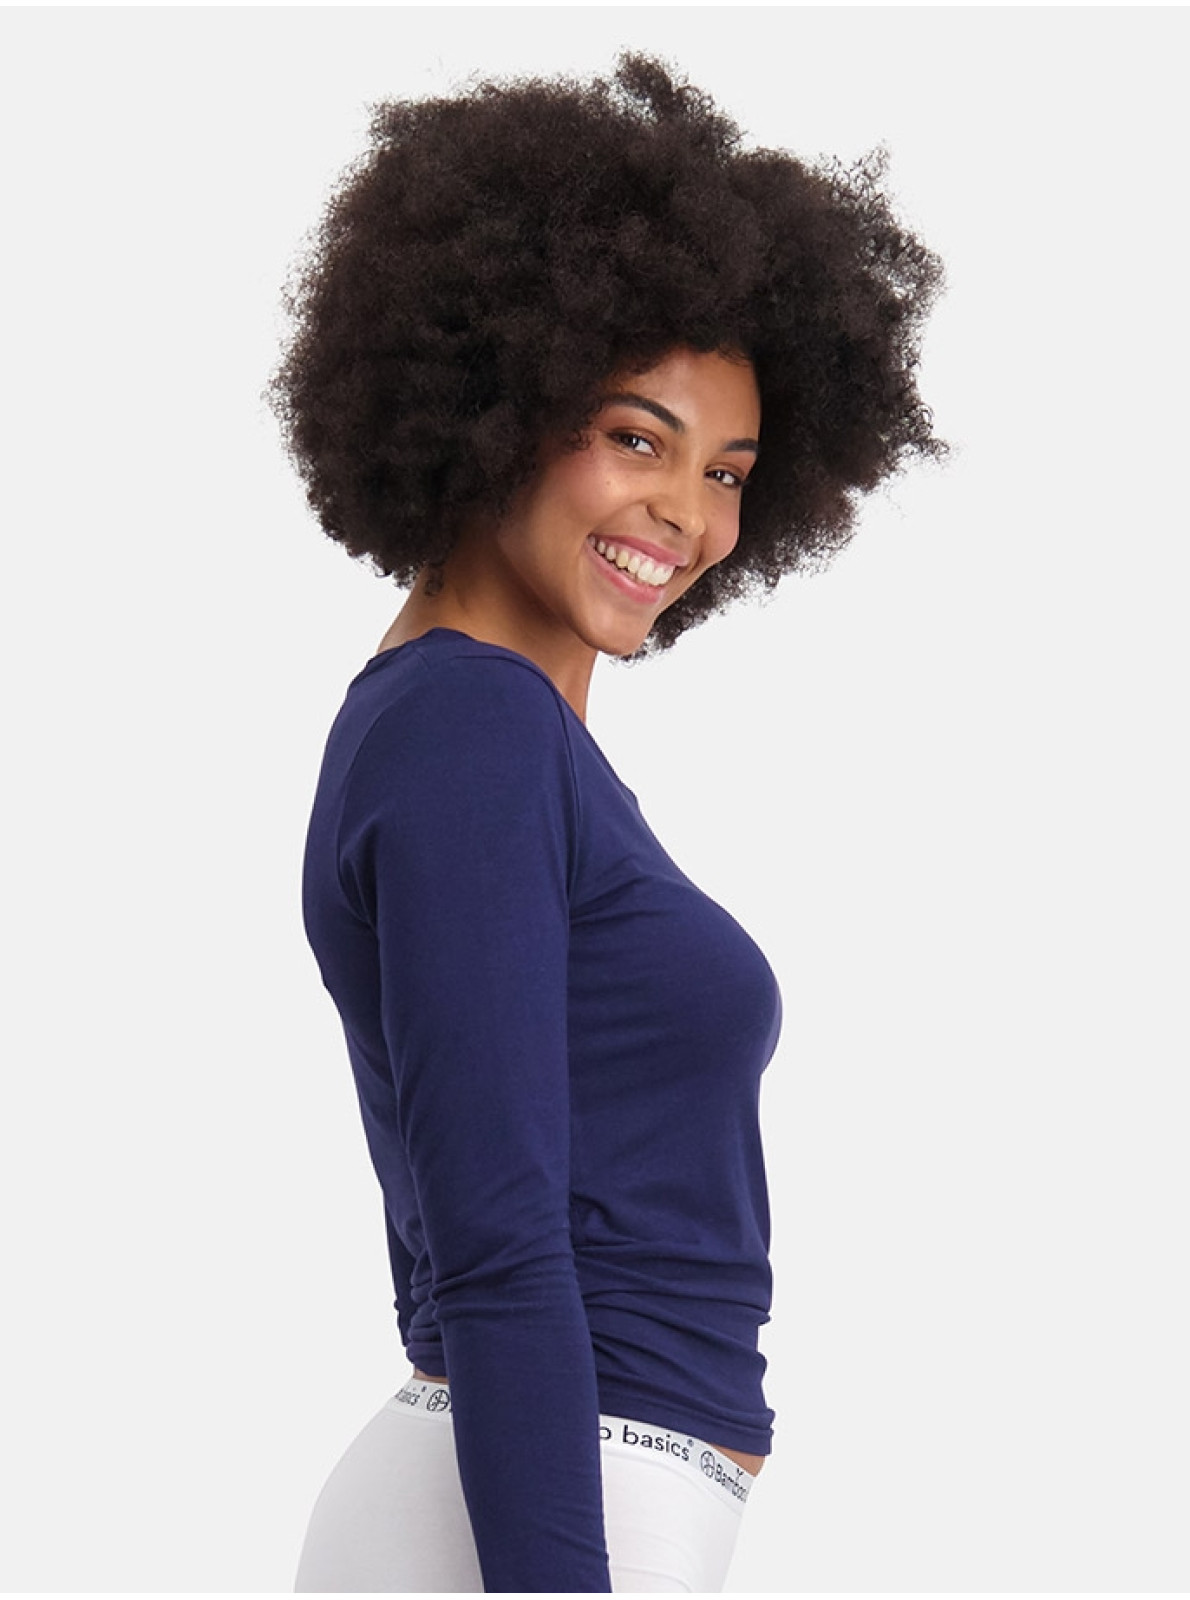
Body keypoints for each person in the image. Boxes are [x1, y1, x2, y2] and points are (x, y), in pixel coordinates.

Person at [269, 52, 944, 1594]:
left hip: (558, 1484)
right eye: (636, 439)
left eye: (727, 472)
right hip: (554, 1502)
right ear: (495, 408)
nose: (688, 517)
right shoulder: (471, 731)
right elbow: (497, 1233)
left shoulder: (479, 727)